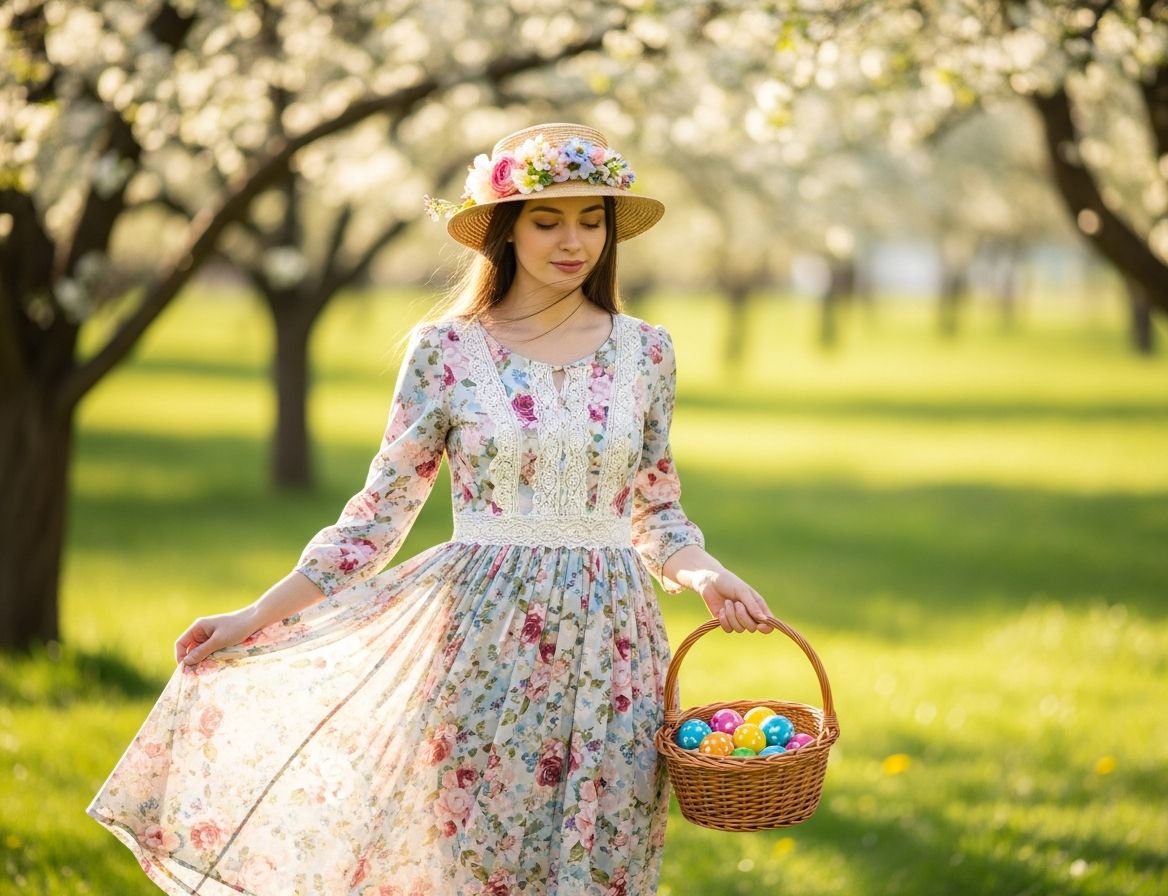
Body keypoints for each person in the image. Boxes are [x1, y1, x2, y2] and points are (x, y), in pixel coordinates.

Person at [85, 122, 774, 896]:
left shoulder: (647, 350)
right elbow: (378, 514)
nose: (573, 240)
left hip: (614, 647)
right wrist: (257, 614)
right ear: (506, 232)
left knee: (604, 855)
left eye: (592, 220)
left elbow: (657, 511)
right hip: (482, 638)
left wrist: (707, 574)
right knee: (479, 859)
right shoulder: (446, 351)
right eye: (548, 220)